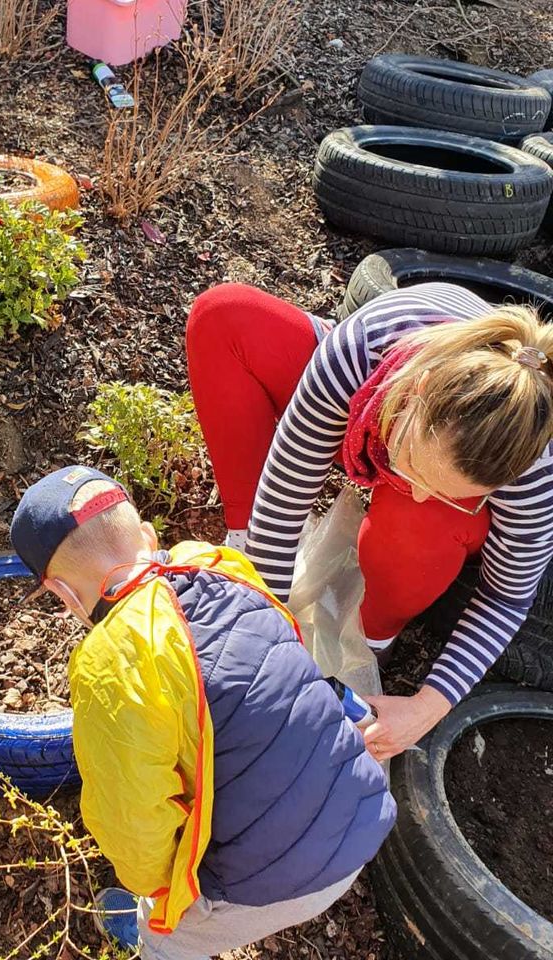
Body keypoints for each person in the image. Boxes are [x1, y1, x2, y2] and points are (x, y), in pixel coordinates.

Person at [9, 465, 396, 956]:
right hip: (361, 806)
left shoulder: (112, 662)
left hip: (283, 878)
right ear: (147, 535)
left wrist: (158, 895)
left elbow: (133, 818)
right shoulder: (218, 564)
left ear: (63, 595)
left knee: (170, 933)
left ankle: (160, 941)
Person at [185, 281, 553, 762]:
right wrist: (264, 624)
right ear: (415, 395)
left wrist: (426, 707)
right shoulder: (363, 349)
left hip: (418, 459)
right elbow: (288, 486)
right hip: (374, 399)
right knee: (225, 316)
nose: (420, 491)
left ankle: (373, 635)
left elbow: (506, 598)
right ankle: (243, 539)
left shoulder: (529, 467)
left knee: (417, 520)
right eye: (418, 471)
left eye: (448, 492)